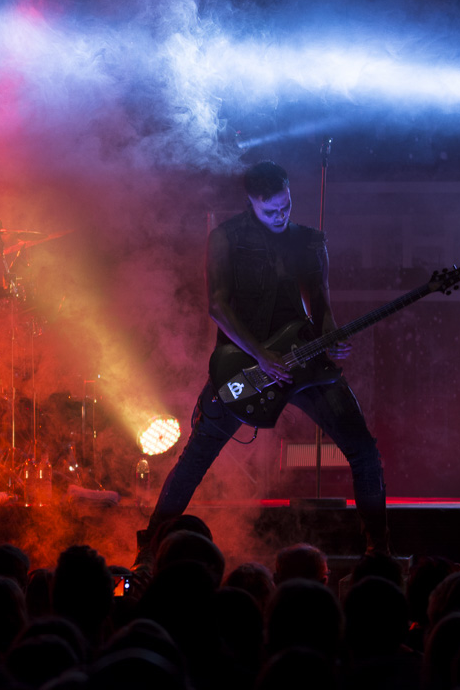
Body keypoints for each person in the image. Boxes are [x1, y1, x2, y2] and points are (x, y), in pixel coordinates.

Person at [136, 160, 387, 564]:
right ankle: (148, 551)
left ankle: (379, 550)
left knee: (363, 449)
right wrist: (260, 355)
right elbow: (217, 306)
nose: (280, 215)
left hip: (304, 361)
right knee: (196, 457)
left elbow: (321, 301)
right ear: (251, 202)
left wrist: (332, 337)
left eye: (286, 206)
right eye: (270, 211)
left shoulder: (310, 241)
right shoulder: (226, 238)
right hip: (244, 366)